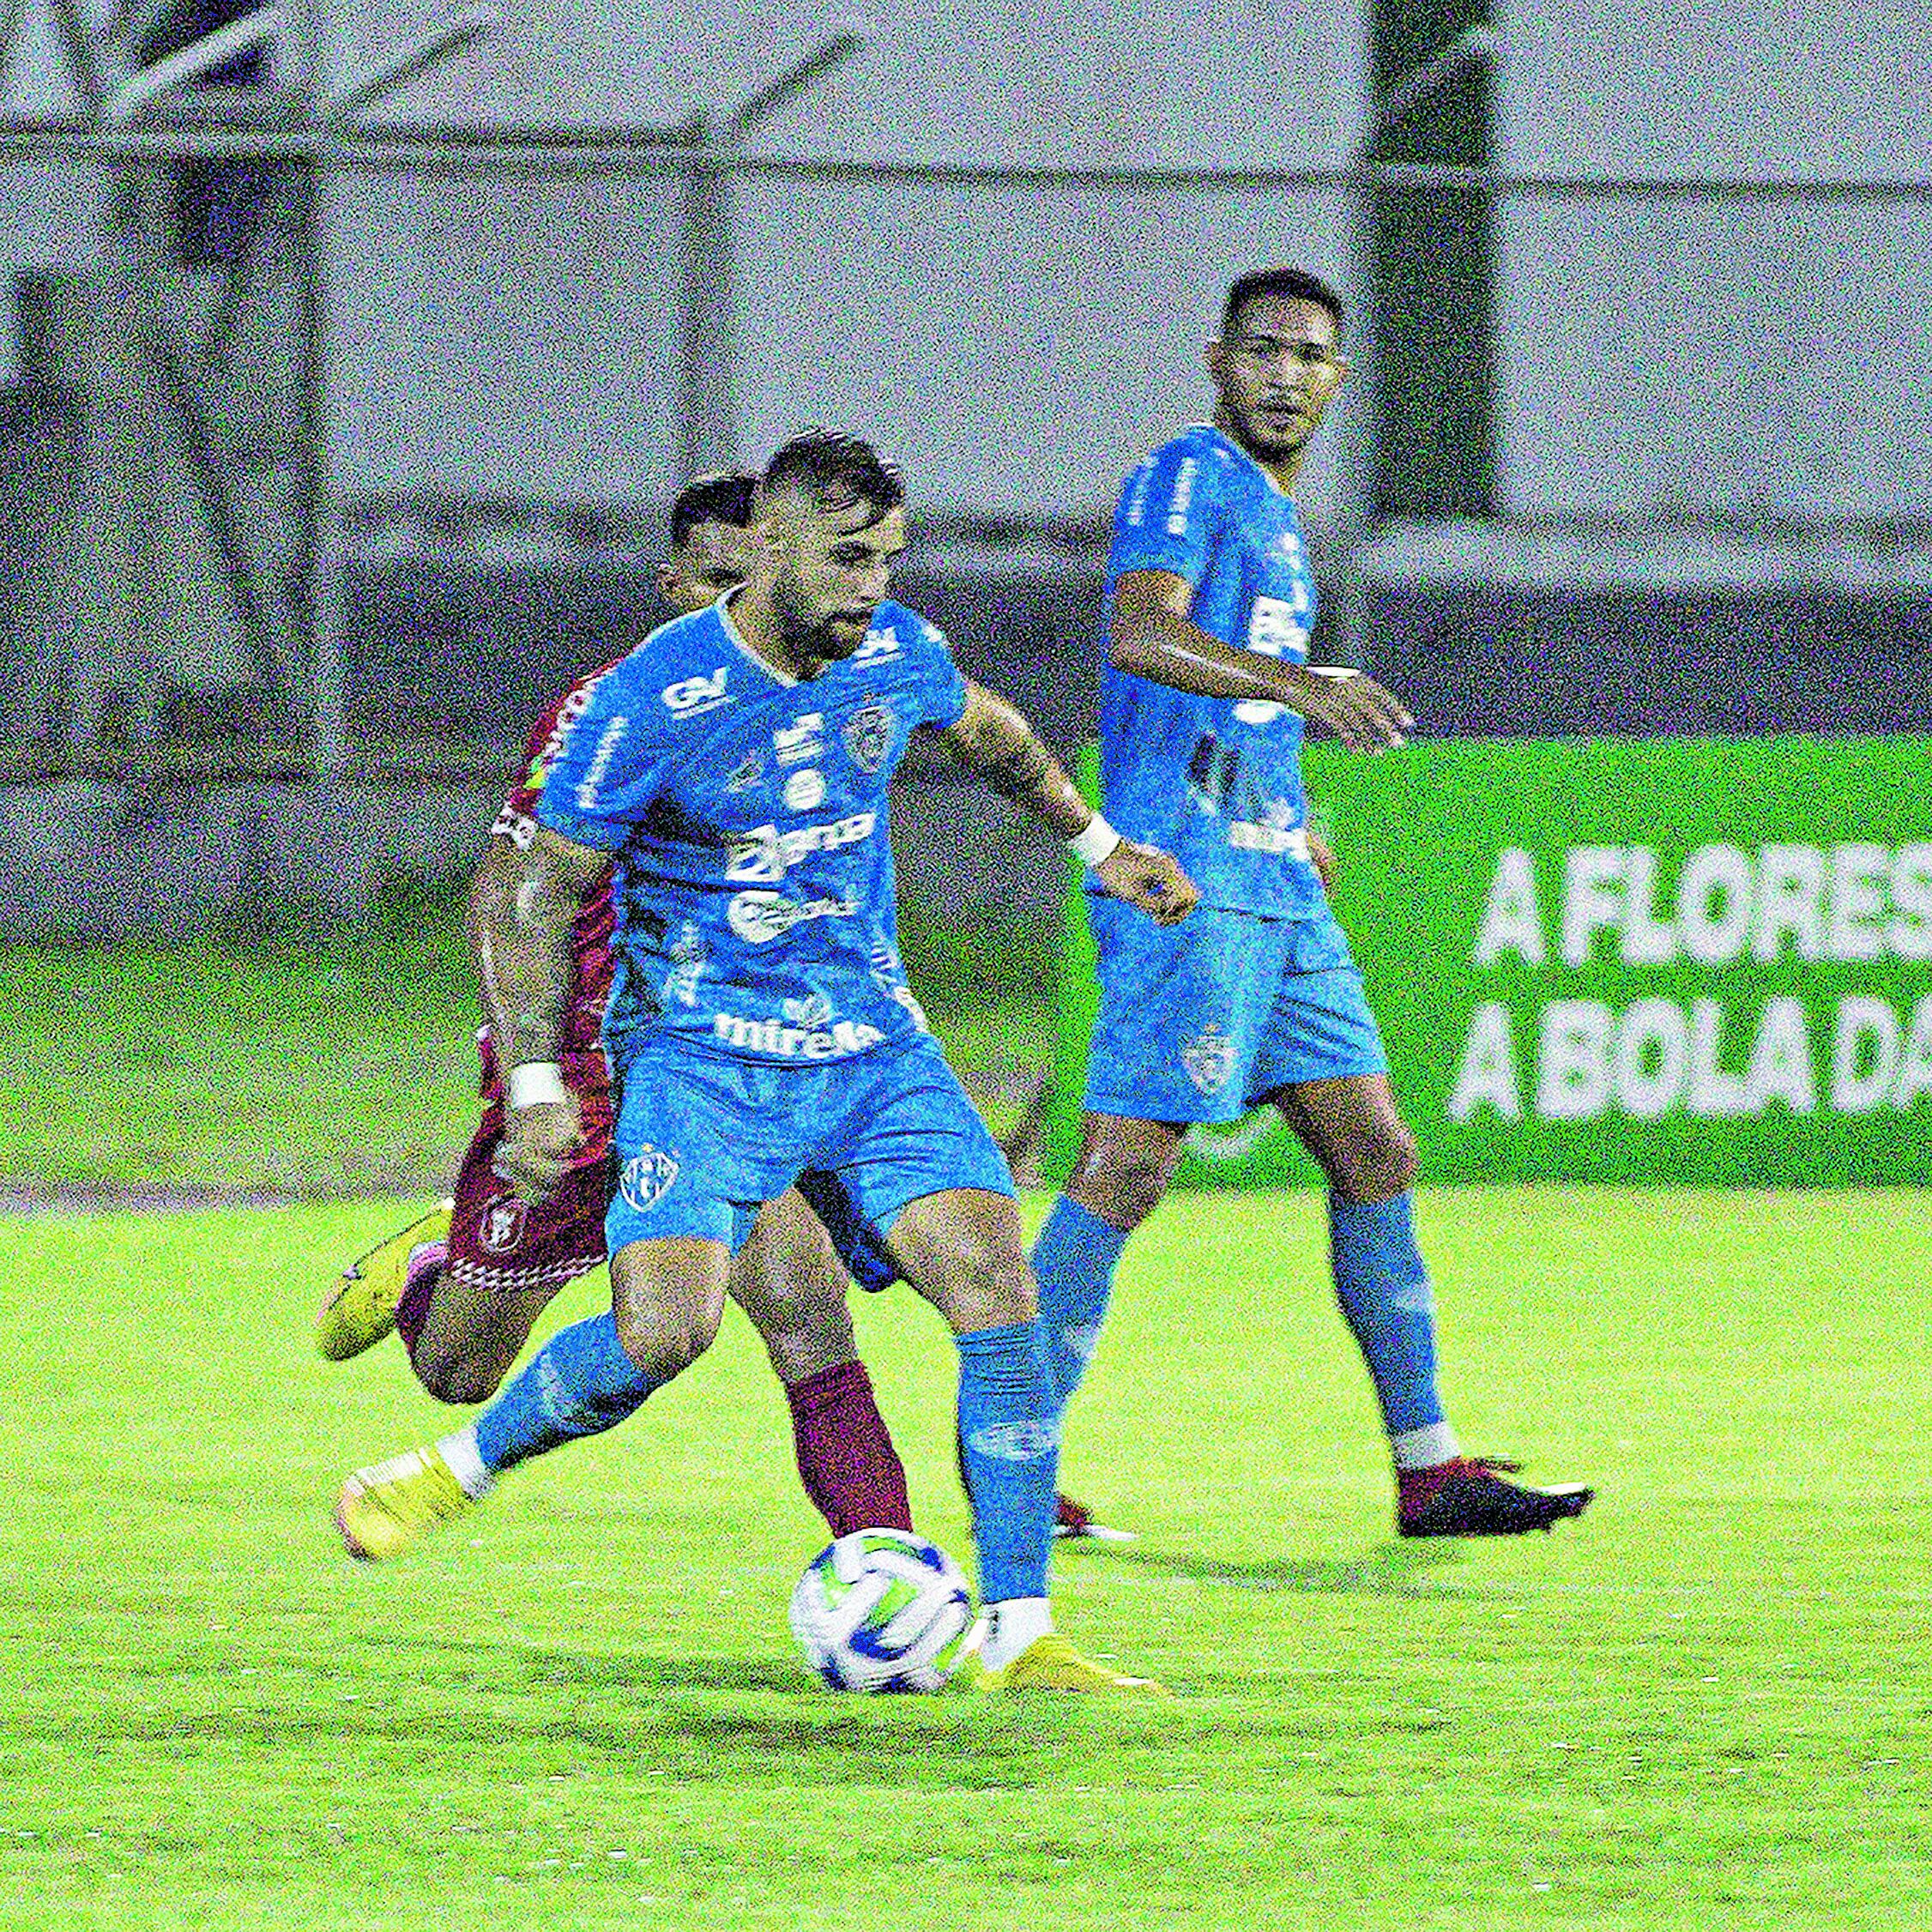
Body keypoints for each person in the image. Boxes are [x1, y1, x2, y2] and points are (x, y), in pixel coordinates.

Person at [329, 431, 1198, 1691]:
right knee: (664, 1334)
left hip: (873, 1049)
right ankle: (449, 1472)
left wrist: (1100, 844)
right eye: (850, 560)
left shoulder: (896, 648)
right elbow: (528, 882)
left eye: (891, 560)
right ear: (773, 548)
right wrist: (532, 1084)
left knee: (994, 1287)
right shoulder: (653, 697)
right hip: (699, 1059)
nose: (873, 588)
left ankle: (1022, 1633)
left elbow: (991, 731)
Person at [1034, 267, 1592, 1539]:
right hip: (1185, 881)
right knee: (1127, 1164)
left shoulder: (1279, 515)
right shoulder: (1188, 473)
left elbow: (1228, 705)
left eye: (1312, 357)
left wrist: (1294, 819)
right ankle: (1006, 1450)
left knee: (1376, 1149)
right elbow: (1136, 634)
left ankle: (1431, 1466)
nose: (1287, 375)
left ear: (1338, 379)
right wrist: (1302, 685)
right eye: (1265, 352)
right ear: (1218, 363)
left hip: (1272, 878)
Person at [320, 472, 918, 1550]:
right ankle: (431, 1266)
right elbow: (509, 887)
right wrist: (527, 1072)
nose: (734, 598)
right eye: (712, 578)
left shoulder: (825, 697)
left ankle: (897, 1577)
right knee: (455, 1371)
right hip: (592, 1073)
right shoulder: (616, 708)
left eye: (756, 574)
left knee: (806, 1316)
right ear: (671, 582)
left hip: (718, 1066)